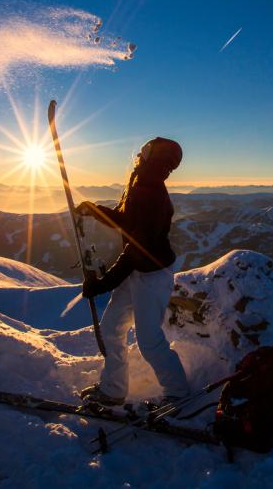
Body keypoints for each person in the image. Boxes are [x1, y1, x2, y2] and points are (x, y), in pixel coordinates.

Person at [76, 137, 190, 406]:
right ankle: (114, 389)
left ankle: (179, 395)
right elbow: (127, 221)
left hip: (151, 274)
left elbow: (137, 248)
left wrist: (103, 284)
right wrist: (96, 211)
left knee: (149, 339)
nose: (140, 153)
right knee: (113, 327)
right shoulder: (140, 184)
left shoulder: (151, 191)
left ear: (154, 155)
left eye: (146, 149)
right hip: (138, 270)